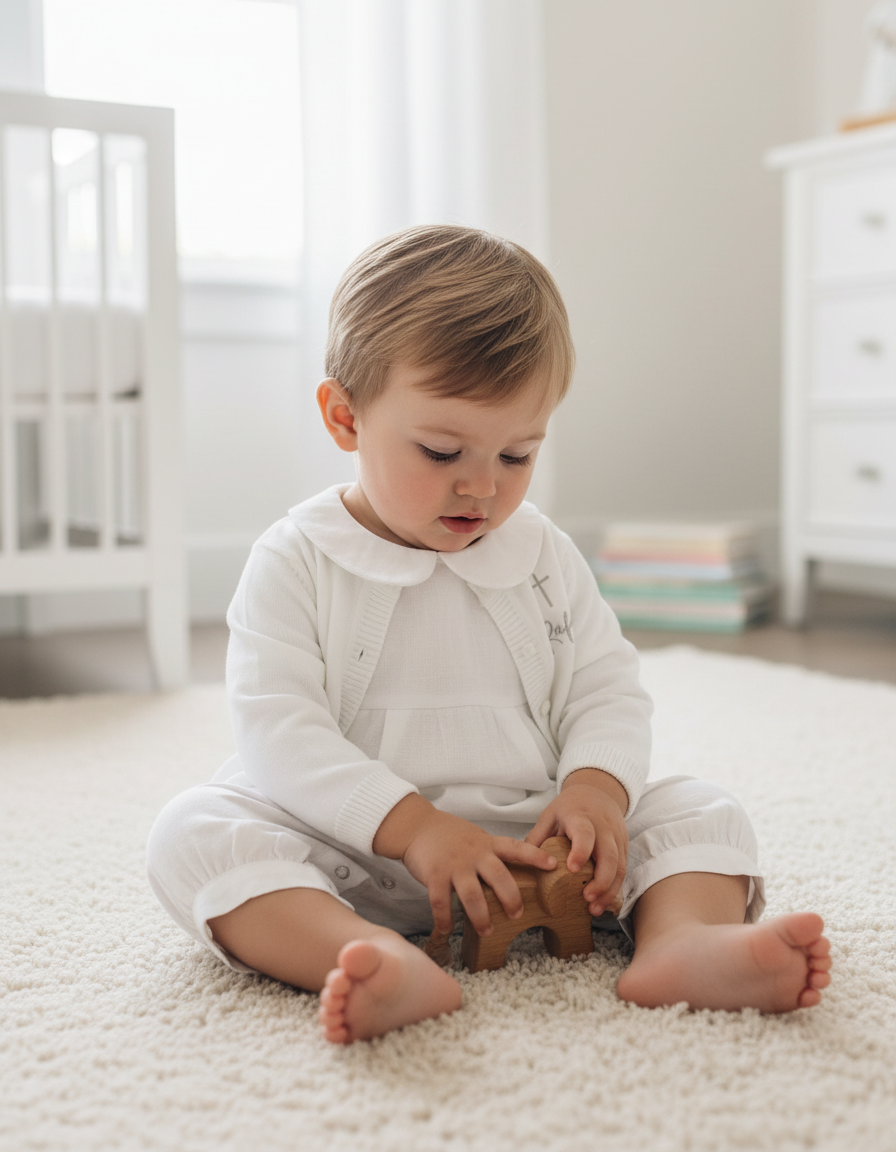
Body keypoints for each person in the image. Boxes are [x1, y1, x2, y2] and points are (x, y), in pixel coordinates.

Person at [147, 225, 832, 1044]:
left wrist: (595, 793)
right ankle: (363, 953)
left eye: (518, 453)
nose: (482, 485)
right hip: (355, 858)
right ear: (344, 417)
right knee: (191, 834)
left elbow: (605, 687)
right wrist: (415, 831)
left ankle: (683, 945)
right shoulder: (296, 559)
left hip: (540, 844)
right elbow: (278, 733)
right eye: (442, 451)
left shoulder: (540, 550)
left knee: (702, 809)